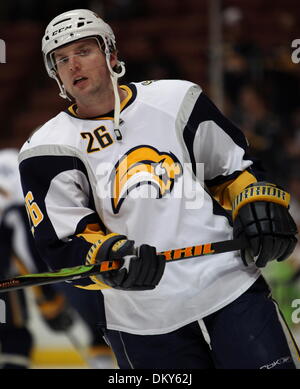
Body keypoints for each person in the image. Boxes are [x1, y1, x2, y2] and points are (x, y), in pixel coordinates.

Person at [18, 9, 299, 369]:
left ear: (111, 55)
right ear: (55, 74)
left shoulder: (177, 99)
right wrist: (106, 257)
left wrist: (257, 202)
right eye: (62, 59)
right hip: (140, 320)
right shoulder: (45, 149)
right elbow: (63, 242)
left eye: (84, 51)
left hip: (229, 286)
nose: (73, 65)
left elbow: (231, 170)